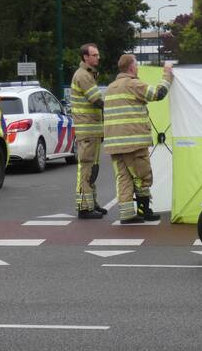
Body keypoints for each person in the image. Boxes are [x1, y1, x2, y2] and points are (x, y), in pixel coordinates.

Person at [103, 54, 173, 224]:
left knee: (124, 178)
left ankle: (127, 214)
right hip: (133, 142)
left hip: (114, 144)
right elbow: (158, 94)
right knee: (142, 176)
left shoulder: (110, 88)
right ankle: (144, 210)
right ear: (132, 68)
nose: (138, 68)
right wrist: (167, 74)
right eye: (137, 65)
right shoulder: (133, 84)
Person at [70, 43, 106, 219]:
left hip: (93, 131)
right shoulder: (83, 76)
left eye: (97, 55)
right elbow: (97, 100)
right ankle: (84, 207)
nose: (98, 57)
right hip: (87, 131)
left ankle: (92, 202)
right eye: (94, 55)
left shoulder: (88, 74)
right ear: (85, 57)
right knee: (86, 169)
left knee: (93, 169)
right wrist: (114, 106)